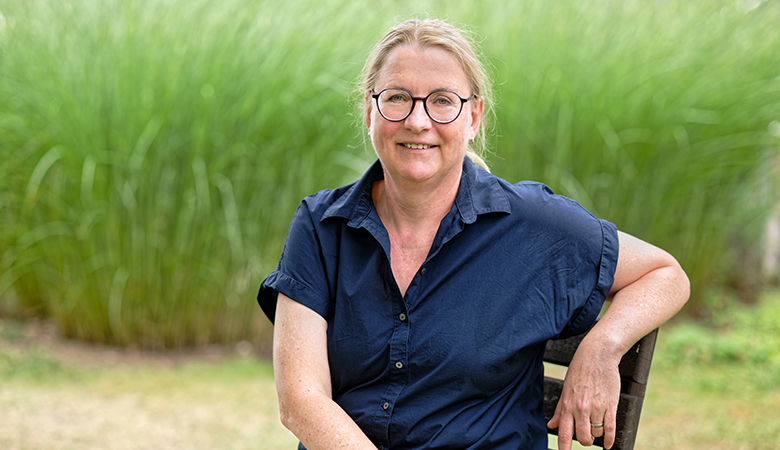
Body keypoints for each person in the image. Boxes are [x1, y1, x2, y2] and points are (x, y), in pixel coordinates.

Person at [257, 18, 689, 450]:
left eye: (442, 101)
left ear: (474, 116)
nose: (418, 121)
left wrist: (602, 346)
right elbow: (300, 399)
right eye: (397, 98)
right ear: (370, 111)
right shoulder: (321, 225)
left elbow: (665, 274)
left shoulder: (531, 225)